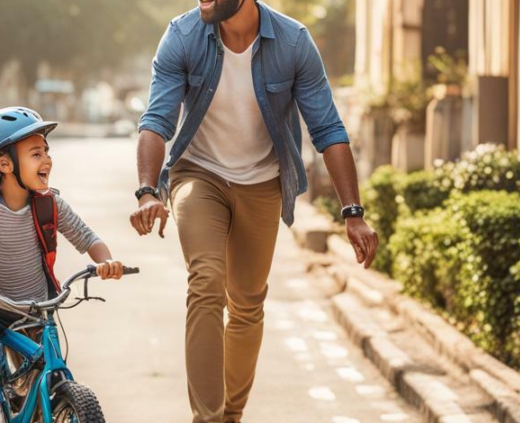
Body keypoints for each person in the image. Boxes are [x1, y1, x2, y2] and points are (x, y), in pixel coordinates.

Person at [130, 1, 379, 422]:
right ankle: (207, 418)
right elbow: (156, 120)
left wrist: (352, 212)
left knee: (247, 304)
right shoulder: (183, 35)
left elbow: (328, 129)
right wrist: (147, 190)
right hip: (198, 174)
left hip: (262, 182)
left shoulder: (293, 42)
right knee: (206, 281)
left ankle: (231, 415)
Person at [0, 107, 125, 423]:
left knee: (50, 375)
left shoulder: (51, 204)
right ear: (5, 164)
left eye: (46, 151)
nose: (46, 160)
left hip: (35, 311)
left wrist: (107, 262)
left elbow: (87, 238)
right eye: (35, 154)